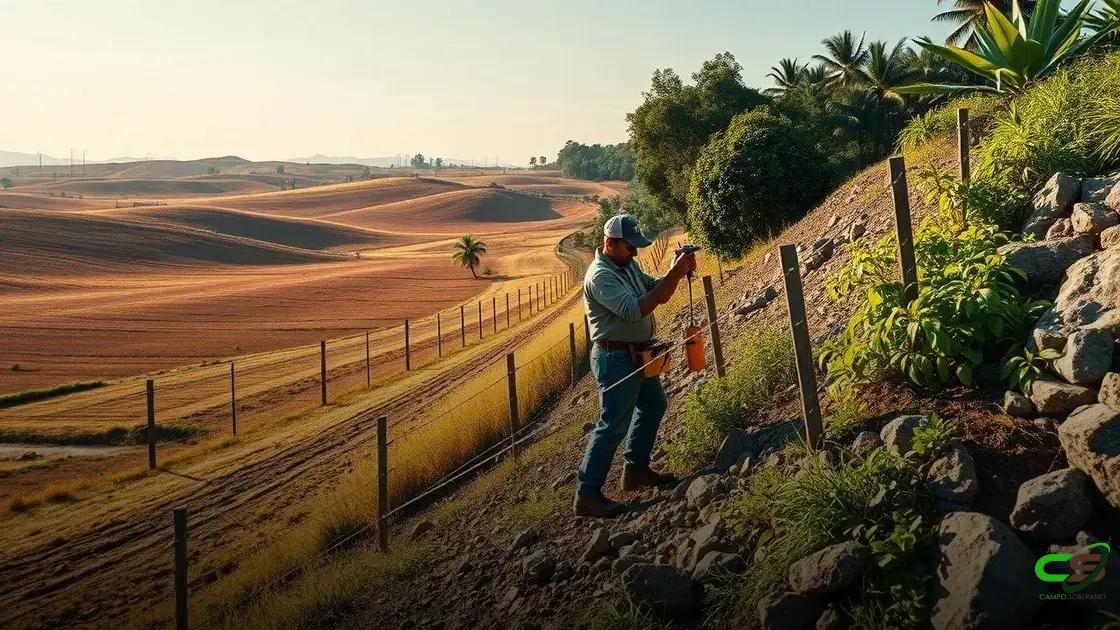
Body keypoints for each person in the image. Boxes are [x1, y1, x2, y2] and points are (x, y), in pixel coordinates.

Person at [574, 214, 697, 517]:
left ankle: (635, 470)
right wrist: (674, 274)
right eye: (630, 247)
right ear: (610, 243)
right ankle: (587, 494)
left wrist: (676, 272)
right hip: (615, 359)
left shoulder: (627, 264)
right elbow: (634, 310)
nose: (636, 253)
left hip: (638, 355)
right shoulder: (600, 276)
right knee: (613, 425)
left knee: (654, 404)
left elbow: (658, 292)